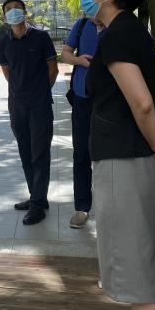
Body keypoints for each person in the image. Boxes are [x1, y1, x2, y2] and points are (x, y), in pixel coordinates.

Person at [83, 0, 155, 310]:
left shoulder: (118, 36)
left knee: (137, 278)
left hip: (122, 163)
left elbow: (142, 103)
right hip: (137, 159)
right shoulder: (132, 30)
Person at [0, 0, 59, 225]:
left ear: (25, 12)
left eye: (17, 8)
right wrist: (20, 93)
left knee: (40, 154)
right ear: (4, 16)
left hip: (40, 105)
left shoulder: (41, 38)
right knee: (25, 153)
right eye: (9, 9)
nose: (13, 11)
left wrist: (40, 92)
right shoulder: (4, 42)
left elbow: (53, 69)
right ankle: (37, 197)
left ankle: (37, 205)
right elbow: (7, 72)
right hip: (17, 105)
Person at [61, 15, 100, 229]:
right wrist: (79, 60)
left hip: (109, 103)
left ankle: (109, 207)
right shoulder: (83, 24)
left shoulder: (118, 24)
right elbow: (65, 53)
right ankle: (82, 208)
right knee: (81, 154)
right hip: (81, 100)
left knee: (107, 157)